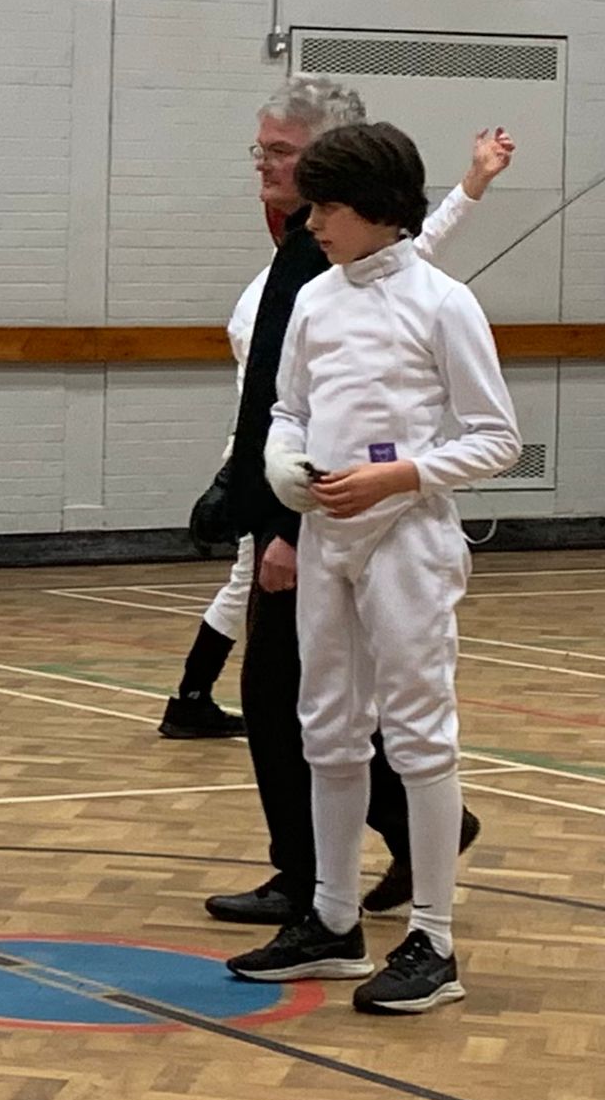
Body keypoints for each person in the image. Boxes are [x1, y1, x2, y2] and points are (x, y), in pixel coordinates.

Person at [228, 124, 518, 1011]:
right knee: (329, 728)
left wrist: (402, 473)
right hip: (329, 542)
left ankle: (434, 938)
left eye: (329, 206)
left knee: (420, 731)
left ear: (380, 211)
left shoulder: (442, 303)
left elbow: (497, 439)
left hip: (409, 544)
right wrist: (285, 465)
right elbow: (287, 407)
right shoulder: (317, 299)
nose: (312, 220)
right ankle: (333, 919)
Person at [161, 121, 515, 740]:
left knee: (384, 699)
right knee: (307, 683)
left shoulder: (383, 283)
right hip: (280, 464)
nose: (268, 170)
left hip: (343, 495)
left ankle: (194, 697)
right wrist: (252, 470)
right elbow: (274, 401)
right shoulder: (293, 291)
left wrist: (474, 183)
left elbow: (418, 240)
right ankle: (194, 698)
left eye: (283, 157)